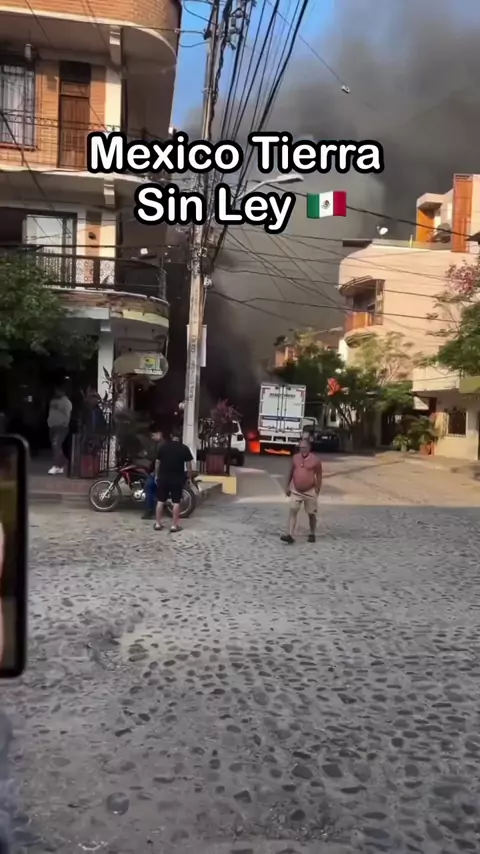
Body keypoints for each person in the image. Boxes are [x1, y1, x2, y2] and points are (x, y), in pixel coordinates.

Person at [281, 435, 322, 544]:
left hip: (310, 490)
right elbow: (291, 472)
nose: (301, 450)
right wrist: (287, 486)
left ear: (309, 448)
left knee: (311, 514)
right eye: (300, 448)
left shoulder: (315, 460)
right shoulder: (295, 458)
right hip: (296, 490)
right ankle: (290, 534)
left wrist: (317, 489)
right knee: (293, 510)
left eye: (304, 448)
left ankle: (312, 533)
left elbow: (319, 475)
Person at [154, 427, 193, 533]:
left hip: (163, 477)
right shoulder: (184, 448)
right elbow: (189, 466)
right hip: (177, 478)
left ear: (171, 436)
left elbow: (157, 463)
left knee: (160, 501)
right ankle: (174, 526)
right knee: (176, 502)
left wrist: (156, 475)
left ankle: (158, 523)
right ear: (180, 437)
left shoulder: (163, 447)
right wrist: (189, 477)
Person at [47, 387, 72, 475]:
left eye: (58, 390)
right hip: (52, 426)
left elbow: (67, 414)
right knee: (56, 447)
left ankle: (56, 466)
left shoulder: (66, 402)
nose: (57, 392)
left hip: (61, 427)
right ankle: (63, 463)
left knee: (56, 445)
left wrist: (64, 423)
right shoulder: (53, 401)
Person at [142, 426, 164, 520]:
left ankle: (149, 511)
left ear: (159, 434)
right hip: (159, 470)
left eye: (153, 435)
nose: (152, 437)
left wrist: (155, 473)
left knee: (148, 487)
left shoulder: (160, 445)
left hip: (160, 471)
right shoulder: (158, 444)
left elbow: (157, 460)